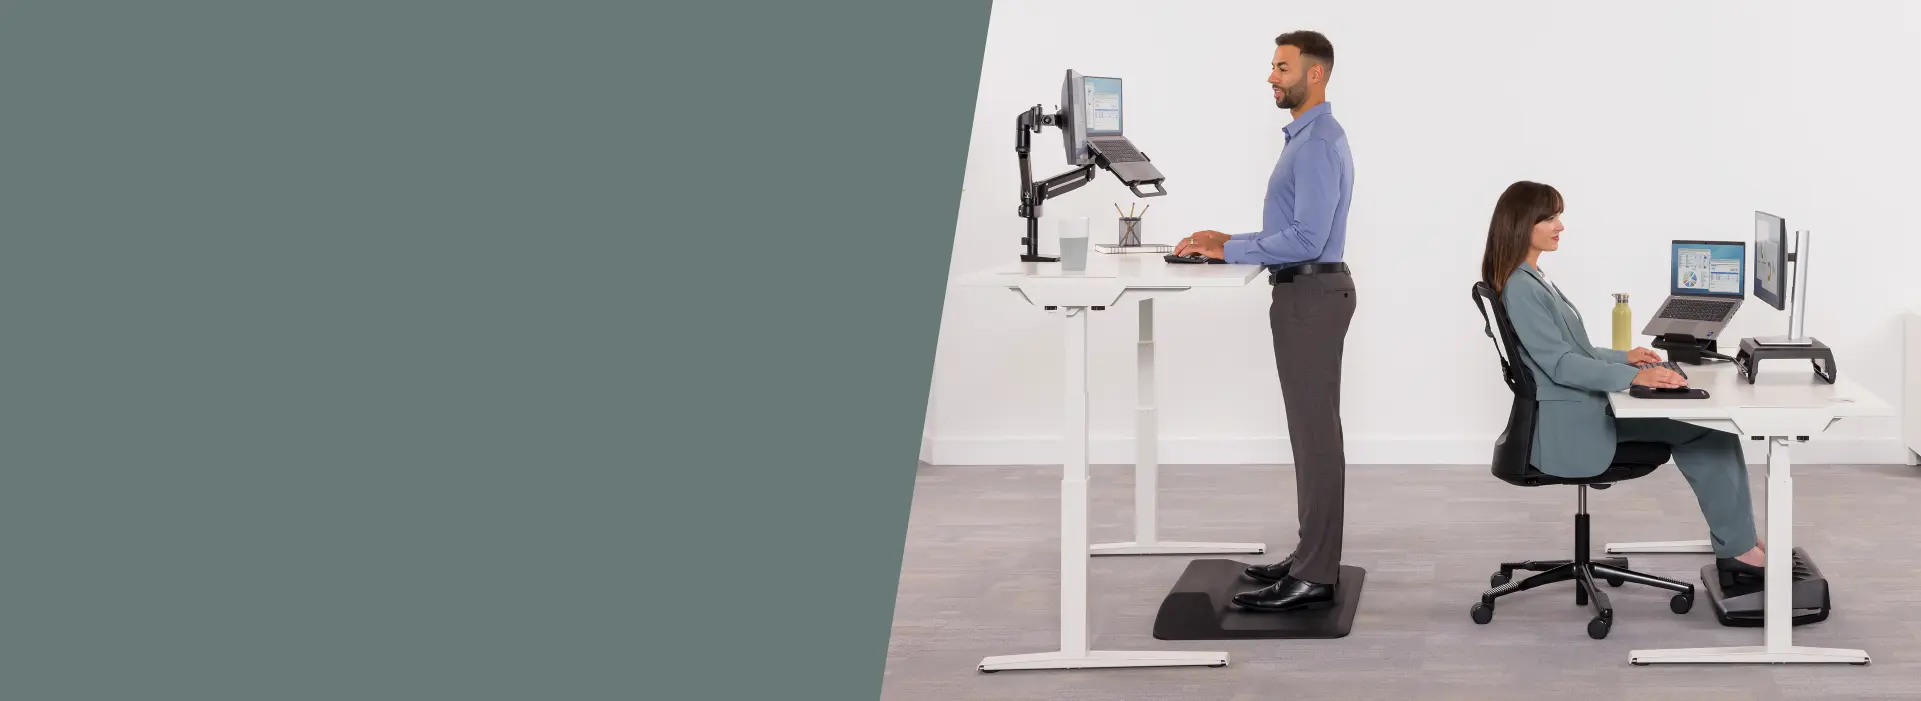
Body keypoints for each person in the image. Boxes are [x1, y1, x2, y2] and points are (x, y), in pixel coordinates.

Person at [1479, 180, 1766, 582]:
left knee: (1706, 428)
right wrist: (1635, 378)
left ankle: (1740, 542)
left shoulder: (1532, 277)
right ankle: (1739, 550)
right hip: (1572, 427)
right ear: (1521, 224)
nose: (1560, 226)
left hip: (1576, 411)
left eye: (1559, 216)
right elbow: (1562, 365)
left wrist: (1626, 358)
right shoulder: (1522, 287)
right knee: (1708, 431)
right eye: (1549, 217)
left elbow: (1572, 348)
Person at [1175, 30, 1356, 612]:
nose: (1272, 77)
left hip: (1313, 295)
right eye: (1273, 67)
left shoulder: (1317, 143)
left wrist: (1228, 252)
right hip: (1305, 291)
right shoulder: (1304, 139)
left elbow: (1307, 237)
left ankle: (1315, 574)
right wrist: (1229, 240)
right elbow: (1291, 232)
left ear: (1316, 74)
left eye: (1282, 67)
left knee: (1316, 437)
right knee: (1310, 435)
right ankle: (1310, 557)